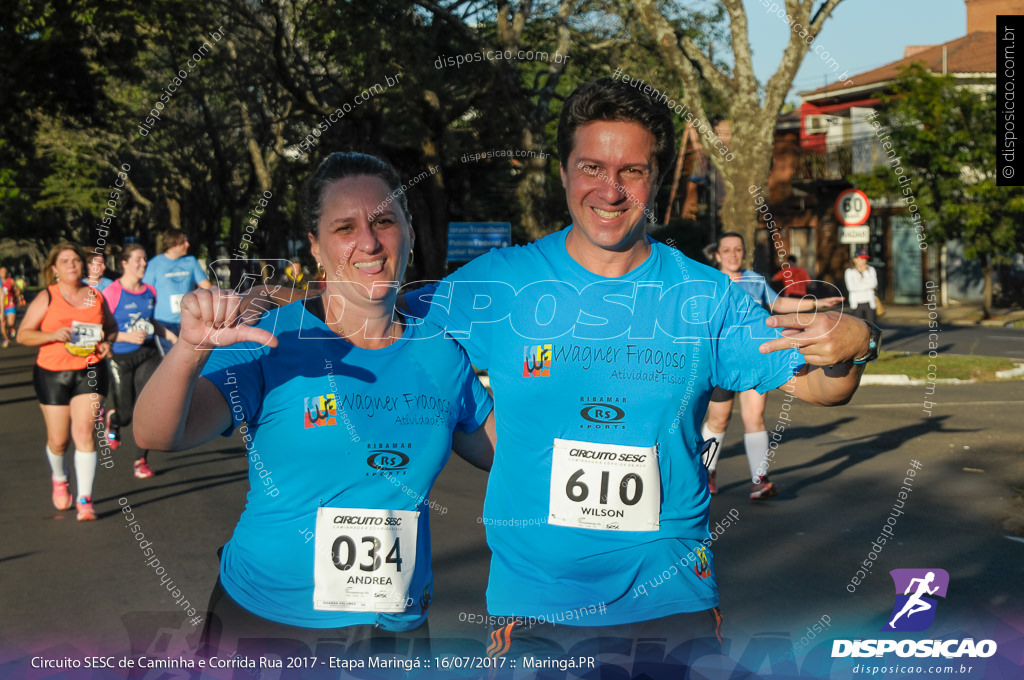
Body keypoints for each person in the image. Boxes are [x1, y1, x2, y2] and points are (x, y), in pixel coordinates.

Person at [398, 78, 878, 669]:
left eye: (632, 171)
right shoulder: (503, 281)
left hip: (672, 597)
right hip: (538, 603)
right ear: (565, 172)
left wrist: (853, 346)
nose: (610, 189)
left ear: (658, 179)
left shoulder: (706, 295)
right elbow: (384, 338)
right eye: (591, 166)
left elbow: (819, 388)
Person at [134, 152, 495, 653]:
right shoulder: (270, 338)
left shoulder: (440, 351)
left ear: (409, 232)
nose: (368, 241)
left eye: (384, 221)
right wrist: (189, 350)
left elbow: (509, 455)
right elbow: (157, 433)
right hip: (268, 626)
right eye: (344, 227)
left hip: (395, 632)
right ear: (316, 248)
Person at [700, 233, 843, 499]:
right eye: (727, 250)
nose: (733, 255)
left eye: (738, 250)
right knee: (719, 419)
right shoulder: (710, 282)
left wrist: (816, 303)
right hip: (722, 362)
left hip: (755, 359)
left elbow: (778, 304)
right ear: (717, 255)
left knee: (754, 417)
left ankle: (760, 480)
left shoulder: (754, 281)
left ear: (744, 253)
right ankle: (706, 472)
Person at [17, 242, 118, 521]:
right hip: (52, 373)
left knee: (84, 433)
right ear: (54, 269)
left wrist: (108, 343)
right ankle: (60, 477)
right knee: (58, 441)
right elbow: (23, 335)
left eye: (76, 260)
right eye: (65, 261)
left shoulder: (95, 296)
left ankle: (85, 500)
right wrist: (52, 335)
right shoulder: (47, 297)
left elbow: (111, 327)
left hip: (90, 369)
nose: (72, 265)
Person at [102, 244, 177, 477]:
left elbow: (151, 322)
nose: (144, 263)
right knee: (126, 414)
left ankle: (140, 460)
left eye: (145, 259)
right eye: (138, 259)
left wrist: (173, 337)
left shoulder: (150, 291)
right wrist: (125, 336)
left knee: (147, 408)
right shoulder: (112, 293)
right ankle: (114, 420)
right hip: (120, 357)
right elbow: (99, 329)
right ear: (124, 263)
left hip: (148, 354)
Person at [143, 228, 211, 352]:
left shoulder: (191, 261)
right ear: (173, 244)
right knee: (171, 362)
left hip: (189, 319)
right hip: (164, 323)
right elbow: (146, 292)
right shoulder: (154, 264)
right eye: (184, 242)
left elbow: (206, 286)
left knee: (193, 359)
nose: (188, 244)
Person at [844, 248, 878, 324]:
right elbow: (851, 287)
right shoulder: (849, 272)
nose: (864, 261)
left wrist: (865, 272)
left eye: (865, 259)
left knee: (871, 325)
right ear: (855, 259)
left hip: (869, 302)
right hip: (857, 303)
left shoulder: (871, 270)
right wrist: (867, 286)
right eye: (861, 259)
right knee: (859, 325)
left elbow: (873, 284)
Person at [1, 265, 24, 347]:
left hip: (10, 304)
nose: (4, 273)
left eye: (5, 272)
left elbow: (16, 289)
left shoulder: (10, 281)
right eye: (2, 272)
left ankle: (11, 328)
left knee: (10, 323)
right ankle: (6, 339)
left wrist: (18, 296)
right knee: (3, 324)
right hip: (1, 306)